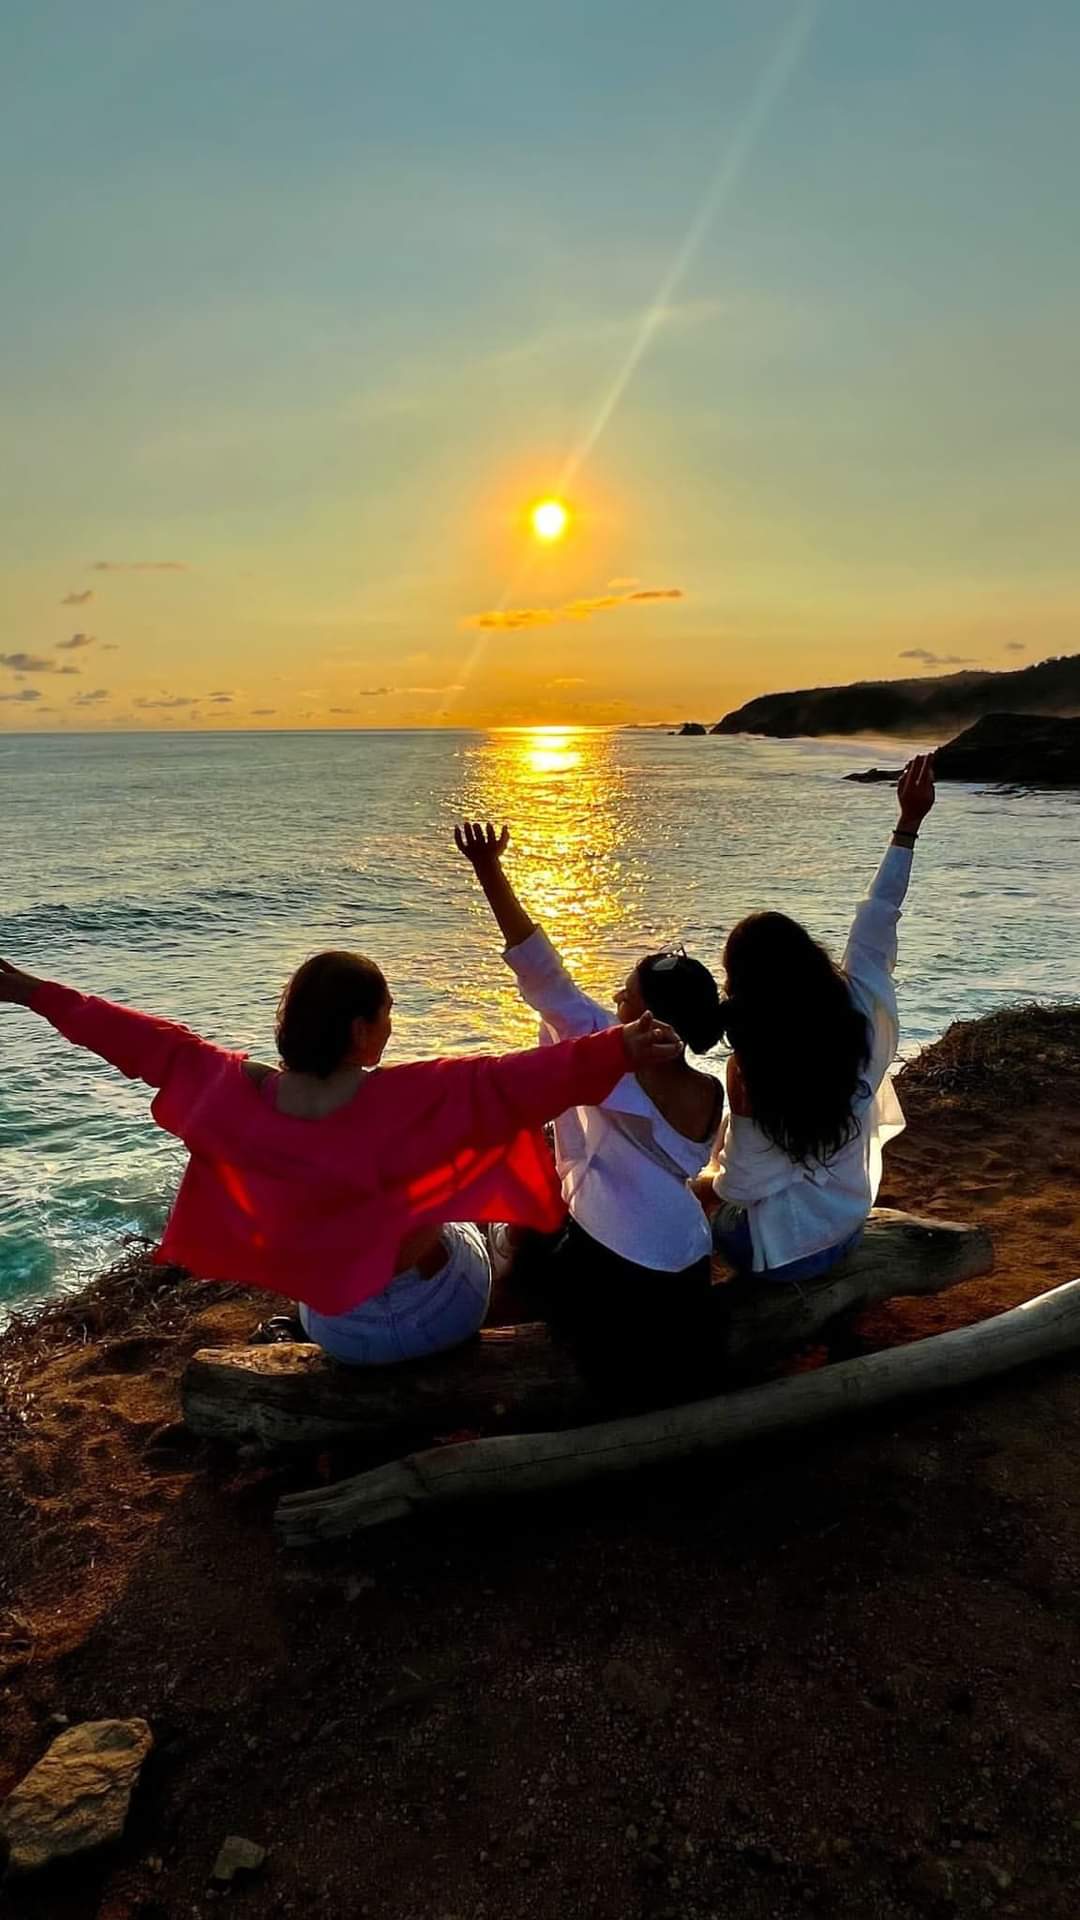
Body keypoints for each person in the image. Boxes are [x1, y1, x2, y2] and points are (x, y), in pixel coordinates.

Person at [0, 947, 683, 1367]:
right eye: (386, 1014)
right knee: (456, 1217)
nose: (391, 1026)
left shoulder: (233, 1094)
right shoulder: (411, 1096)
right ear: (359, 1029)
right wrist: (618, 1047)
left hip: (341, 1332)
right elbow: (512, 1082)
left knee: (359, 1234)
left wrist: (31, 991)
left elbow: (143, 1042)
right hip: (444, 1318)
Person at [455, 820, 727, 1396]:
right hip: (686, 1262)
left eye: (626, 995)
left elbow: (542, 973)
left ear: (648, 1017)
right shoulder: (710, 1090)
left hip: (616, 1269)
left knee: (518, 1244)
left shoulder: (613, 1066)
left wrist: (489, 870)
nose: (615, 998)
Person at [690, 754, 936, 1285]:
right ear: (808, 958)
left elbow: (740, 1188)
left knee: (701, 1201)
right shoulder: (857, 1012)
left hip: (785, 1253)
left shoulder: (754, 1067)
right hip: (845, 1223)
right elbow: (879, 911)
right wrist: (908, 823)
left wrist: (703, 1184)